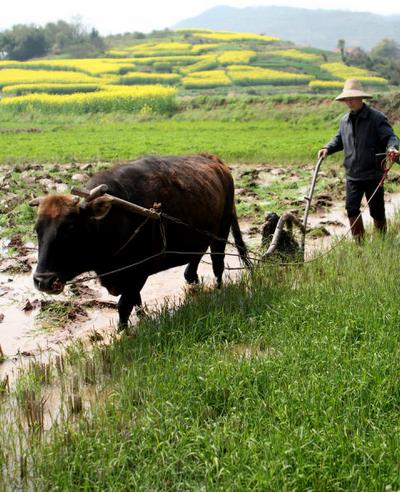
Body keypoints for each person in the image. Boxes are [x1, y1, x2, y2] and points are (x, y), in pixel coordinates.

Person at [318, 78, 399, 241]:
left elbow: (391, 137)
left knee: (376, 210)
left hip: (373, 174)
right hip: (353, 175)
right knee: (351, 209)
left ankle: (382, 240)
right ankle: (359, 244)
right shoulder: (344, 121)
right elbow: (339, 140)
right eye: (346, 99)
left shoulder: (376, 118)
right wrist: (327, 148)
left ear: (361, 98)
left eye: (352, 98)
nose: (349, 102)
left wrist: (392, 148)